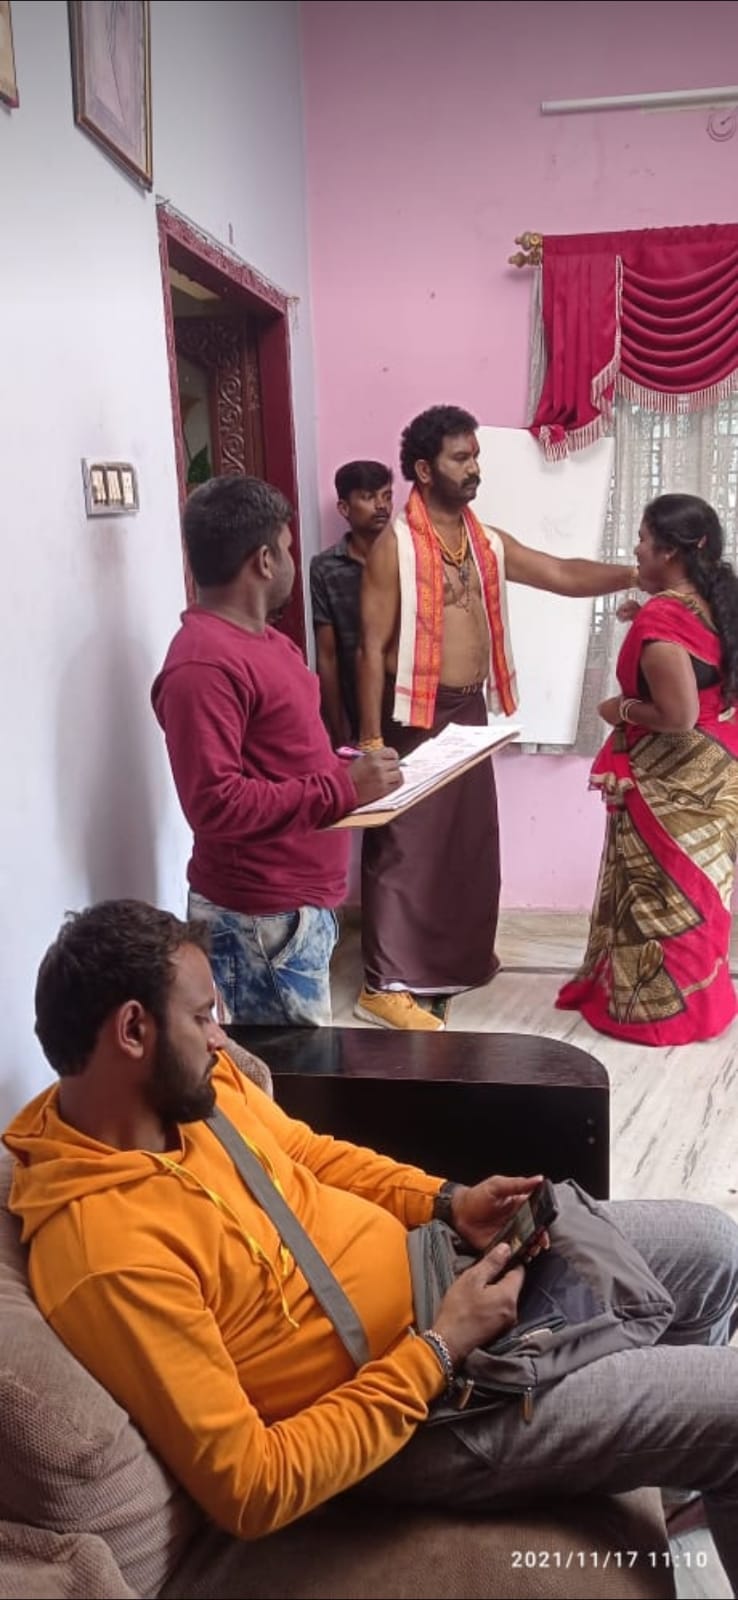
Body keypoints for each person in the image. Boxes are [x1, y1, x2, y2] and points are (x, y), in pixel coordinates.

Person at [5, 899, 738, 1588]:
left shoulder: (187, 1091)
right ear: (133, 1032)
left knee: (712, 1248)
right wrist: (440, 1349)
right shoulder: (108, 1254)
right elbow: (250, 1486)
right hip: (430, 1414)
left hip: (444, 1270)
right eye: (202, 1018)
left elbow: (308, 1155)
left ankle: (674, 1477)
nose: (222, 1037)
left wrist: (447, 1201)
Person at [355, 404, 638, 1031]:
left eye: (475, 456)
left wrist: (636, 574)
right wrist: (372, 743)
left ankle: (455, 961)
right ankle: (384, 984)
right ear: (424, 470)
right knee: (404, 845)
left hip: (468, 709)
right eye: (461, 458)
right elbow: (369, 650)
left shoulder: (484, 542)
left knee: (466, 842)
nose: (474, 468)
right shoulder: (393, 549)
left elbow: (560, 573)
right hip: (413, 713)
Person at [151, 474, 400, 1027]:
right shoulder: (202, 664)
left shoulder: (267, 642)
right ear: (264, 561)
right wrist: (341, 788)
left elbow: (283, 754)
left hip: (293, 910)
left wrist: (349, 770)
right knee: (290, 1072)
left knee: (300, 1067)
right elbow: (214, 804)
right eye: (287, 548)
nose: (292, 560)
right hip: (260, 919)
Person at [557, 493, 738, 1045]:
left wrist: (620, 709)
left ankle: (657, 1017)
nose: (636, 549)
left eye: (643, 538)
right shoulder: (718, 600)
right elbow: (705, 672)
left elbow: (678, 716)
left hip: (671, 781)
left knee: (659, 895)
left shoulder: (664, 617)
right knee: (700, 895)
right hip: (720, 774)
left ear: (671, 551)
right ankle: (702, 1007)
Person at [310, 461, 393, 746]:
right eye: (368, 497)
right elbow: (327, 655)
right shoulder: (325, 568)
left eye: (386, 496)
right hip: (357, 702)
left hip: (408, 699)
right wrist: (337, 726)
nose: (381, 506)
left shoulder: (408, 557)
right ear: (344, 508)